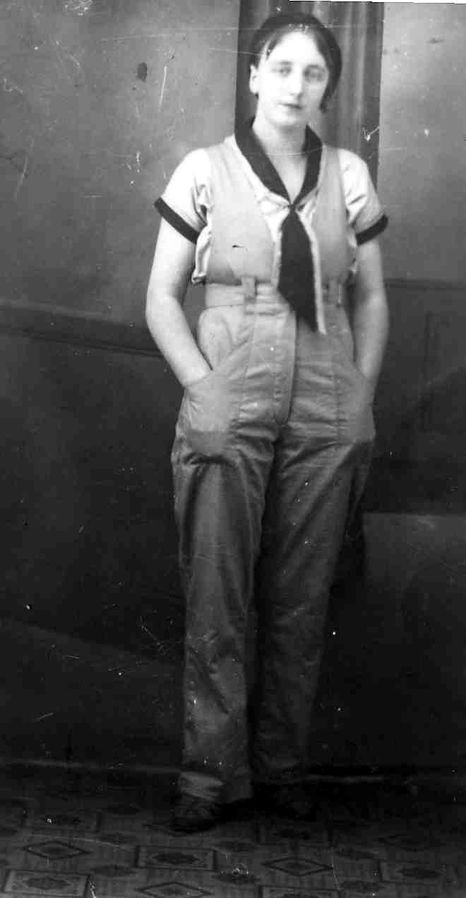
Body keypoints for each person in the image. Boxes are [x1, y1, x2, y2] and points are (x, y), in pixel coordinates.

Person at [146, 11, 389, 832]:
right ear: (253, 76)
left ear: (327, 88)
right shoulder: (204, 170)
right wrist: (202, 387)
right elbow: (160, 298)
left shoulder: (348, 174)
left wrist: (359, 392)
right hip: (231, 376)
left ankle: (282, 767)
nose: (296, 85)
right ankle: (210, 776)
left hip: (326, 388)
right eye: (281, 68)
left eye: (314, 73)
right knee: (218, 594)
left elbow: (372, 298)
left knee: (300, 596)